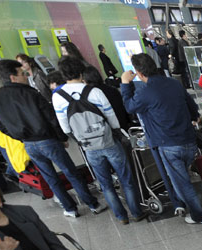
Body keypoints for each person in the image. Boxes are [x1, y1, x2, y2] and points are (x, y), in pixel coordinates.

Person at [0, 59, 104, 219]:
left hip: (28, 144)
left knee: (50, 178)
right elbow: (51, 118)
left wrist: (20, 137)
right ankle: (92, 204)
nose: (26, 76)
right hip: (47, 140)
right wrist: (62, 137)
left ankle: (70, 209)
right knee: (70, 172)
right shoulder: (31, 94)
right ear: (13, 77)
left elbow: (1, 126)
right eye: (22, 73)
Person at [54, 56, 145, 224]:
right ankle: (136, 212)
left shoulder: (58, 97)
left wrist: (80, 137)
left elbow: (65, 127)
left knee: (105, 183)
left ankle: (121, 217)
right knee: (126, 179)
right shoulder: (94, 91)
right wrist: (116, 132)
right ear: (81, 72)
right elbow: (111, 117)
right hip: (109, 141)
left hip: (89, 146)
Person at [121, 53, 202, 225]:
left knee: (182, 183)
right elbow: (192, 108)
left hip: (168, 145)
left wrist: (125, 84)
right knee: (183, 178)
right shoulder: (174, 83)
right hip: (189, 140)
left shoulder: (145, 92)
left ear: (139, 73)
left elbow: (129, 107)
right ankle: (184, 204)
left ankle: (199, 215)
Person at [82, 66, 133, 131]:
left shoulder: (92, 95)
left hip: (110, 130)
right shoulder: (112, 89)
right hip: (124, 125)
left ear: (85, 80)